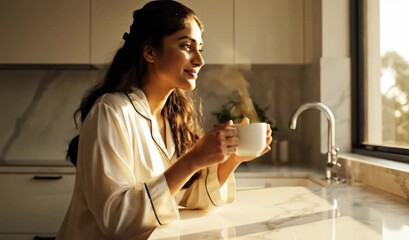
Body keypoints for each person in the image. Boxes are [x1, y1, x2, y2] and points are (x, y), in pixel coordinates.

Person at [57, 0, 272, 239]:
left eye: (200, 48)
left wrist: (232, 159)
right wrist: (191, 160)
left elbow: (187, 198)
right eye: (186, 46)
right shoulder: (111, 111)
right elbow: (116, 219)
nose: (199, 60)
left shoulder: (175, 117)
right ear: (150, 52)